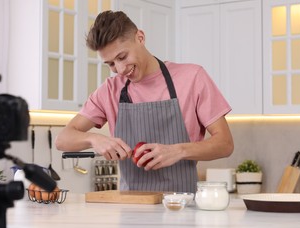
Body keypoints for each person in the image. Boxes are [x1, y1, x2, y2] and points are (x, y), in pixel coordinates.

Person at [55, 10, 234, 193]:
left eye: (122, 57)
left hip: (182, 206)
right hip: (132, 208)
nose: (120, 69)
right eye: (110, 64)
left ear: (140, 37)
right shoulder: (110, 90)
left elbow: (225, 144)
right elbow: (63, 139)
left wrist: (178, 151)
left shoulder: (192, 77)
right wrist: (94, 139)